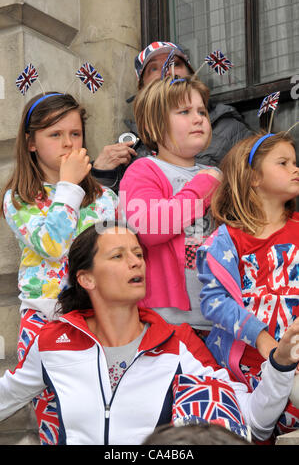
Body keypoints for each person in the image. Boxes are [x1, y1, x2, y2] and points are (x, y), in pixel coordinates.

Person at [1, 221, 299, 445]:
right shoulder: (54, 341)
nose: (135, 261)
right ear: (86, 278)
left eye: (137, 253)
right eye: (117, 256)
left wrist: (281, 363)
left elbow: (256, 421)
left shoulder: (178, 341)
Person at [0, 92, 118, 445]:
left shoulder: (106, 199)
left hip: (98, 319)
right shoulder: (19, 197)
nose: (68, 143)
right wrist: (68, 187)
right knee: (55, 417)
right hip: (44, 319)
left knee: (99, 415)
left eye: (76, 134)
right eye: (55, 135)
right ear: (30, 143)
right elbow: (54, 246)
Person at [196, 131, 299, 436]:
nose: (295, 168)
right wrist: (262, 338)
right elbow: (214, 302)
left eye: (295, 161)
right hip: (251, 369)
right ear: (253, 178)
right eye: (283, 162)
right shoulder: (225, 240)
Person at [119, 75, 221, 332]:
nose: (198, 118)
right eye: (184, 111)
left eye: (201, 111)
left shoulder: (215, 174)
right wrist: (201, 188)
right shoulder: (142, 170)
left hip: (218, 319)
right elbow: (150, 229)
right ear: (156, 123)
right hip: (165, 320)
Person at [91, 41, 252, 191]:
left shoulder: (230, 128)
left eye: (175, 63)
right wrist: (101, 174)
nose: (167, 70)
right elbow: (109, 210)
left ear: (192, 74)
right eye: (154, 68)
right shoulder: (129, 147)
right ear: (142, 88)